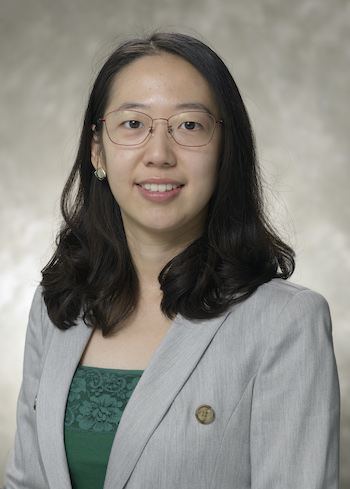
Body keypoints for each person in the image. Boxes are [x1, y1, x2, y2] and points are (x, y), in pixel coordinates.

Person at [4, 32, 340, 489]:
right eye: (132, 124)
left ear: (225, 151)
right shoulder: (58, 306)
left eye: (188, 126)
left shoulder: (286, 322)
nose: (159, 154)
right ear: (97, 150)